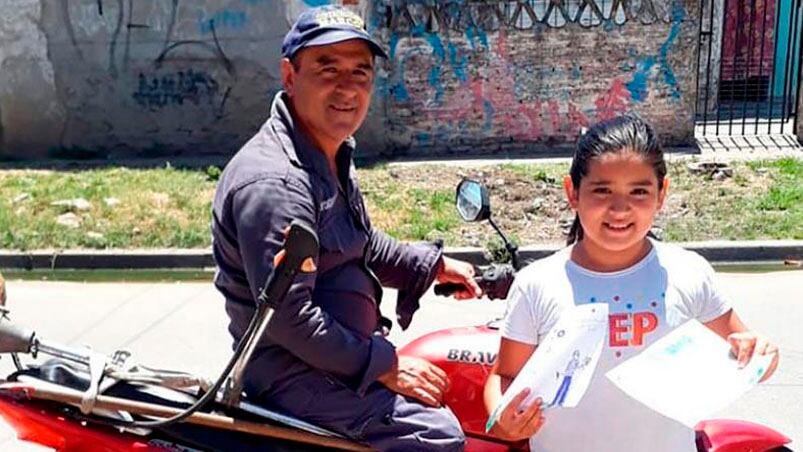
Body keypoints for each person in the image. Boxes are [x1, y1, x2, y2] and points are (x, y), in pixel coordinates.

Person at [211, 5, 481, 451]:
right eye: (327, 68)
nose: (347, 87)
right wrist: (382, 364)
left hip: (327, 363)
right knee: (437, 437)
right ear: (290, 75)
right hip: (293, 375)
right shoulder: (277, 182)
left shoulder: (324, 151)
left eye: (360, 72)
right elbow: (289, 317)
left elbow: (358, 245)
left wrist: (433, 266)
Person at [483, 114, 780, 452]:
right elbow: (504, 375)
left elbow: (746, 353)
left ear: (662, 193)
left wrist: (762, 355)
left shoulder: (689, 272)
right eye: (602, 190)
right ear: (573, 192)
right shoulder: (537, 284)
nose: (620, 209)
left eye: (639, 191)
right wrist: (502, 418)